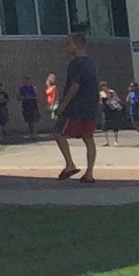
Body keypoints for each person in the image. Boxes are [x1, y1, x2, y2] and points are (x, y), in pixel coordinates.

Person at [53, 28, 100, 183]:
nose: (66, 47)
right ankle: (89, 173)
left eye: (69, 44)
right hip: (91, 106)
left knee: (58, 132)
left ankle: (70, 164)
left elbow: (74, 86)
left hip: (76, 107)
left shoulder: (76, 64)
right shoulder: (91, 62)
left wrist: (62, 105)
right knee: (88, 138)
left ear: (78, 45)